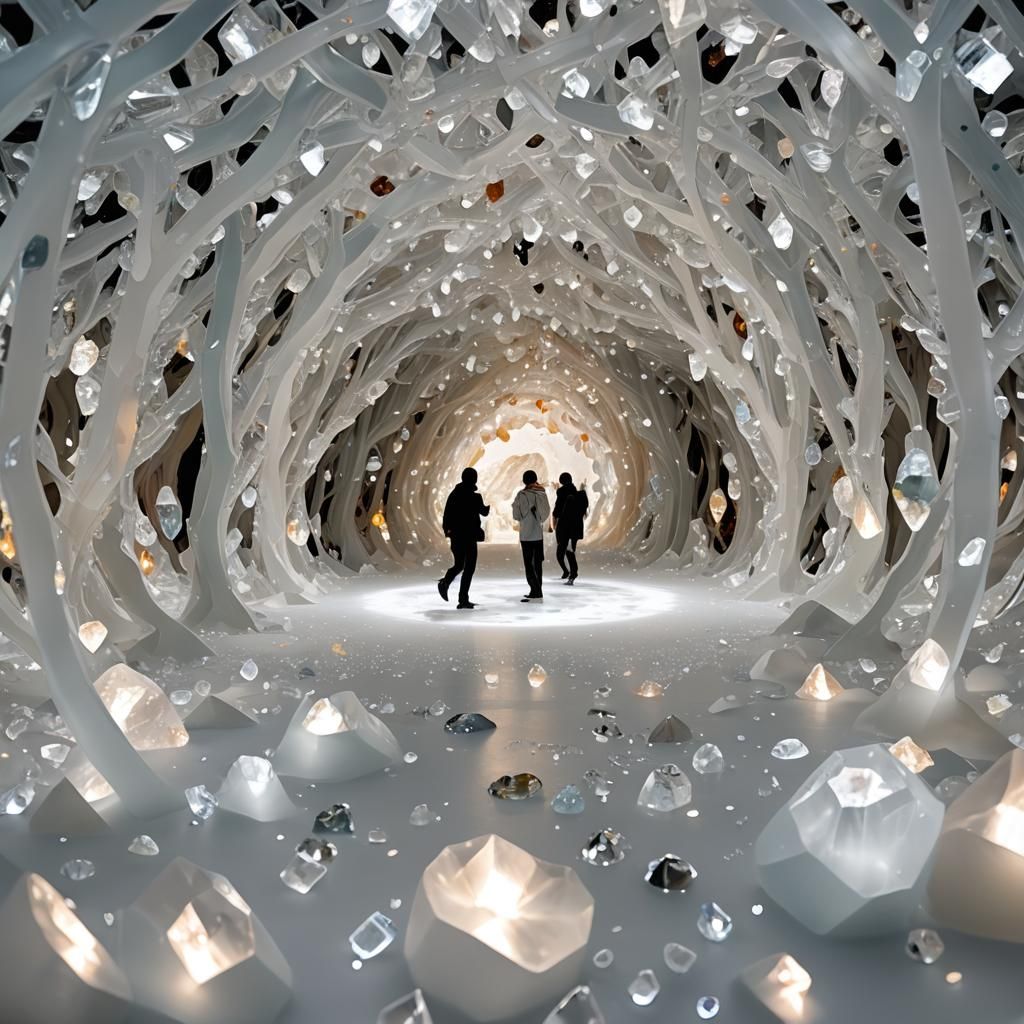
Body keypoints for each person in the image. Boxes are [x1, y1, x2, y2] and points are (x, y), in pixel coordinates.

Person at [438, 468, 489, 609]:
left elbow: (446, 514)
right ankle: (462, 598)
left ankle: (446, 582)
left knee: (460, 564)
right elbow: (484, 512)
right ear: (475, 479)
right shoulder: (475, 497)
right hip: (470, 536)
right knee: (469, 567)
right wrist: (487, 506)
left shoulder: (454, 494)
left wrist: (448, 531)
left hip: (457, 536)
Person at [512, 470, 550, 602]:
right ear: (535, 479)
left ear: (524, 481)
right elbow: (545, 514)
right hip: (538, 534)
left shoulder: (521, 495)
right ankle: (537, 589)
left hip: (526, 535)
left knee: (529, 564)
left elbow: (516, 515)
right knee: (538, 563)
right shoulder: (541, 494)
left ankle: (535, 590)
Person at [552, 472, 589, 584]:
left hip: (564, 527)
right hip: (576, 526)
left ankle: (570, 572)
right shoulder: (579, 494)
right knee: (570, 550)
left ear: (561, 481)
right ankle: (570, 573)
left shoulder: (561, 493)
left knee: (561, 552)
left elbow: (557, 511)